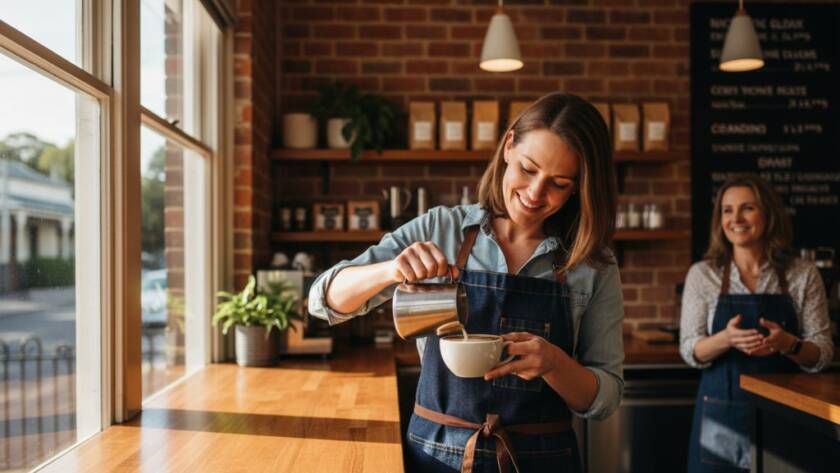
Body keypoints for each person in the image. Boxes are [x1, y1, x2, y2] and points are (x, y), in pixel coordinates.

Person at [308, 92, 624, 473]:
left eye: (558, 183)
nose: (535, 193)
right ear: (508, 145)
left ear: (579, 187)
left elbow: (605, 397)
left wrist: (555, 363)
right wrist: (390, 269)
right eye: (527, 168)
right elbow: (322, 300)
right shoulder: (441, 228)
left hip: (543, 460)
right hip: (436, 455)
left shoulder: (593, 264)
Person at [681, 175, 834, 473]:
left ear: (768, 214)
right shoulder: (703, 275)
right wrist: (726, 339)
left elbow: (823, 352)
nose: (735, 218)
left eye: (747, 208)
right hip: (721, 418)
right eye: (727, 210)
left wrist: (789, 344)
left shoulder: (802, 274)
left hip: (786, 419)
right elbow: (690, 350)